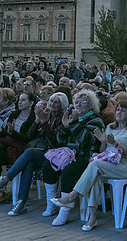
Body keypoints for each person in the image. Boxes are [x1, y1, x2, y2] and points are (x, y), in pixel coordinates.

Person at [52, 99, 127, 231]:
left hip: (126, 167)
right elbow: (102, 152)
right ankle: (92, 218)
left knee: (95, 165)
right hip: (108, 164)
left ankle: (72, 196)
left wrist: (116, 144)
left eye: (123, 110)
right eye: (117, 109)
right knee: (95, 176)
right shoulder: (110, 127)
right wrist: (103, 143)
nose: (118, 112)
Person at [0, 92, 68, 216]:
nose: (52, 104)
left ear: (62, 104)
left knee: (29, 153)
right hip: (42, 152)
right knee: (29, 163)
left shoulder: (63, 118)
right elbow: (29, 137)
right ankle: (21, 202)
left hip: (55, 155)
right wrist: (38, 121)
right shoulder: (45, 115)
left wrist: (44, 122)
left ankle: (6, 179)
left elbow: (57, 141)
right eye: (51, 101)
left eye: (56, 102)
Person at [45, 89, 104, 227]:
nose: (78, 104)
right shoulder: (72, 118)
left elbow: (87, 140)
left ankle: (64, 211)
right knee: (48, 165)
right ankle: (51, 203)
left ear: (90, 105)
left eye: (83, 102)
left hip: (85, 157)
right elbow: (59, 141)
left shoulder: (96, 120)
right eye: (76, 102)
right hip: (67, 154)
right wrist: (65, 128)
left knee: (69, 171)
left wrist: (74, 124)